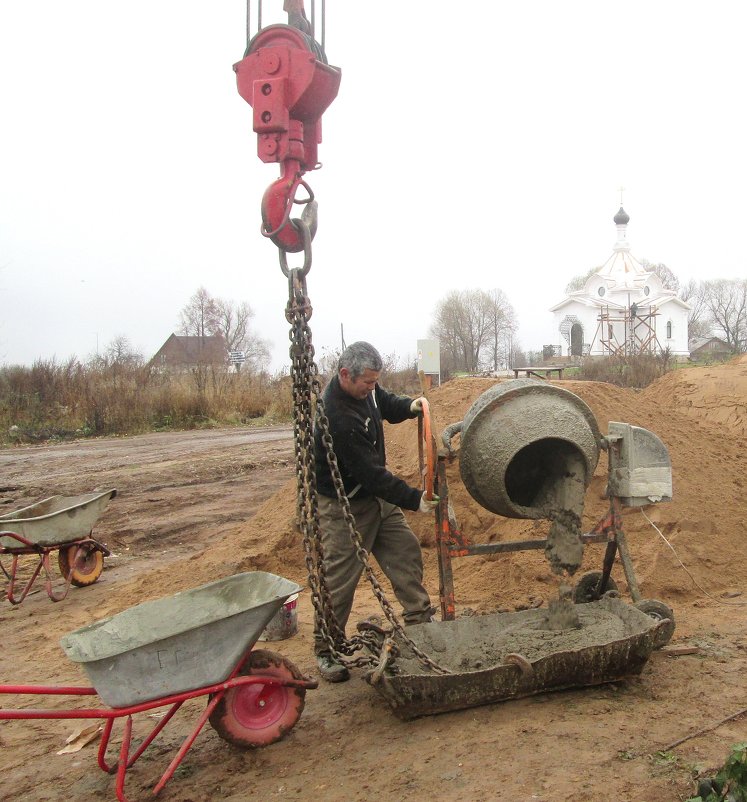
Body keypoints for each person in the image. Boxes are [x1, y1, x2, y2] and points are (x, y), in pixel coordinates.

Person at [313, 341, 439, 682]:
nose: (372, 387)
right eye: (367, 382)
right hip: (346, 505)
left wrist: (409, 406)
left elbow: (382, 402)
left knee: (405, 550)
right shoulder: (337, 418)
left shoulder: (365, 389)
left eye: (374, 381)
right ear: (344, 375)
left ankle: (419, 620)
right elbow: (371, 474)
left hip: (376, 498)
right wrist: (415, 499)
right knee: (340, 580)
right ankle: (327, 649)